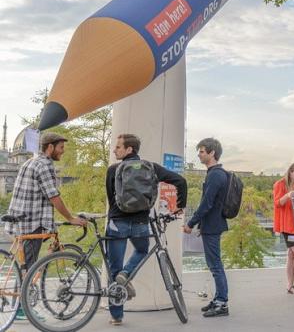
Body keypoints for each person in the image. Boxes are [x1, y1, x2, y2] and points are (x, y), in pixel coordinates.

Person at [106, 134, 187, 325]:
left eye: (118, 147)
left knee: (114, 268)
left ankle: (116, 316)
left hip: (117, 223)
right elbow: (181, 181)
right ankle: (126, 273)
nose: (115, 150)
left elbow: (111, 197)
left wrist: (117, 213)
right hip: (141, 223)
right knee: (142, 250)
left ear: (129, 149)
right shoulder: (152, 167)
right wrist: (180, 205)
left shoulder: (113, 169)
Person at [5, 132, 87, 320]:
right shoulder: (44, 165)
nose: (63, 151)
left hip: (21, 219)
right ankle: (21, 309)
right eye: (61, 147)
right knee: (29, 267)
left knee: (26, 264)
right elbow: (53, 196)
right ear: (50, 147)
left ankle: (19, 305)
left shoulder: (30, 162)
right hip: (32, 221)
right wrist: (71, 218)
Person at [183, 137, 230, 318]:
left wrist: (191, 222)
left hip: (212, 225)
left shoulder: (216, 175)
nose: (199, 155)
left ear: (212, 153)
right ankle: (218, 298)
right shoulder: (216, 173)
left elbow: (206, 203)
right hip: (213, 224)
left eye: (202, 151)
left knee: (215, 265)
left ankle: (222, 303)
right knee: (214, 264)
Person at [272, 162, 294, 295]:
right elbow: (277, 203)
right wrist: (287, 195)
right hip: (287, 225)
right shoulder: (280, 184)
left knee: (291, 255)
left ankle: (290, 285)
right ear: (290, 172)